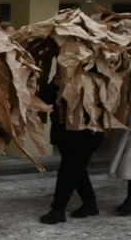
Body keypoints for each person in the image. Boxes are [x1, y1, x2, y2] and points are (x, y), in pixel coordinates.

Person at [38, 79, 105, 224]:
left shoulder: (96, 78)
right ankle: (90, 203)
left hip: (86, 131)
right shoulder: (62, 78)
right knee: (76, 168)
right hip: (65, 130)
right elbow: (45, 97)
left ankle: (58, 209)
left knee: (70, 168)